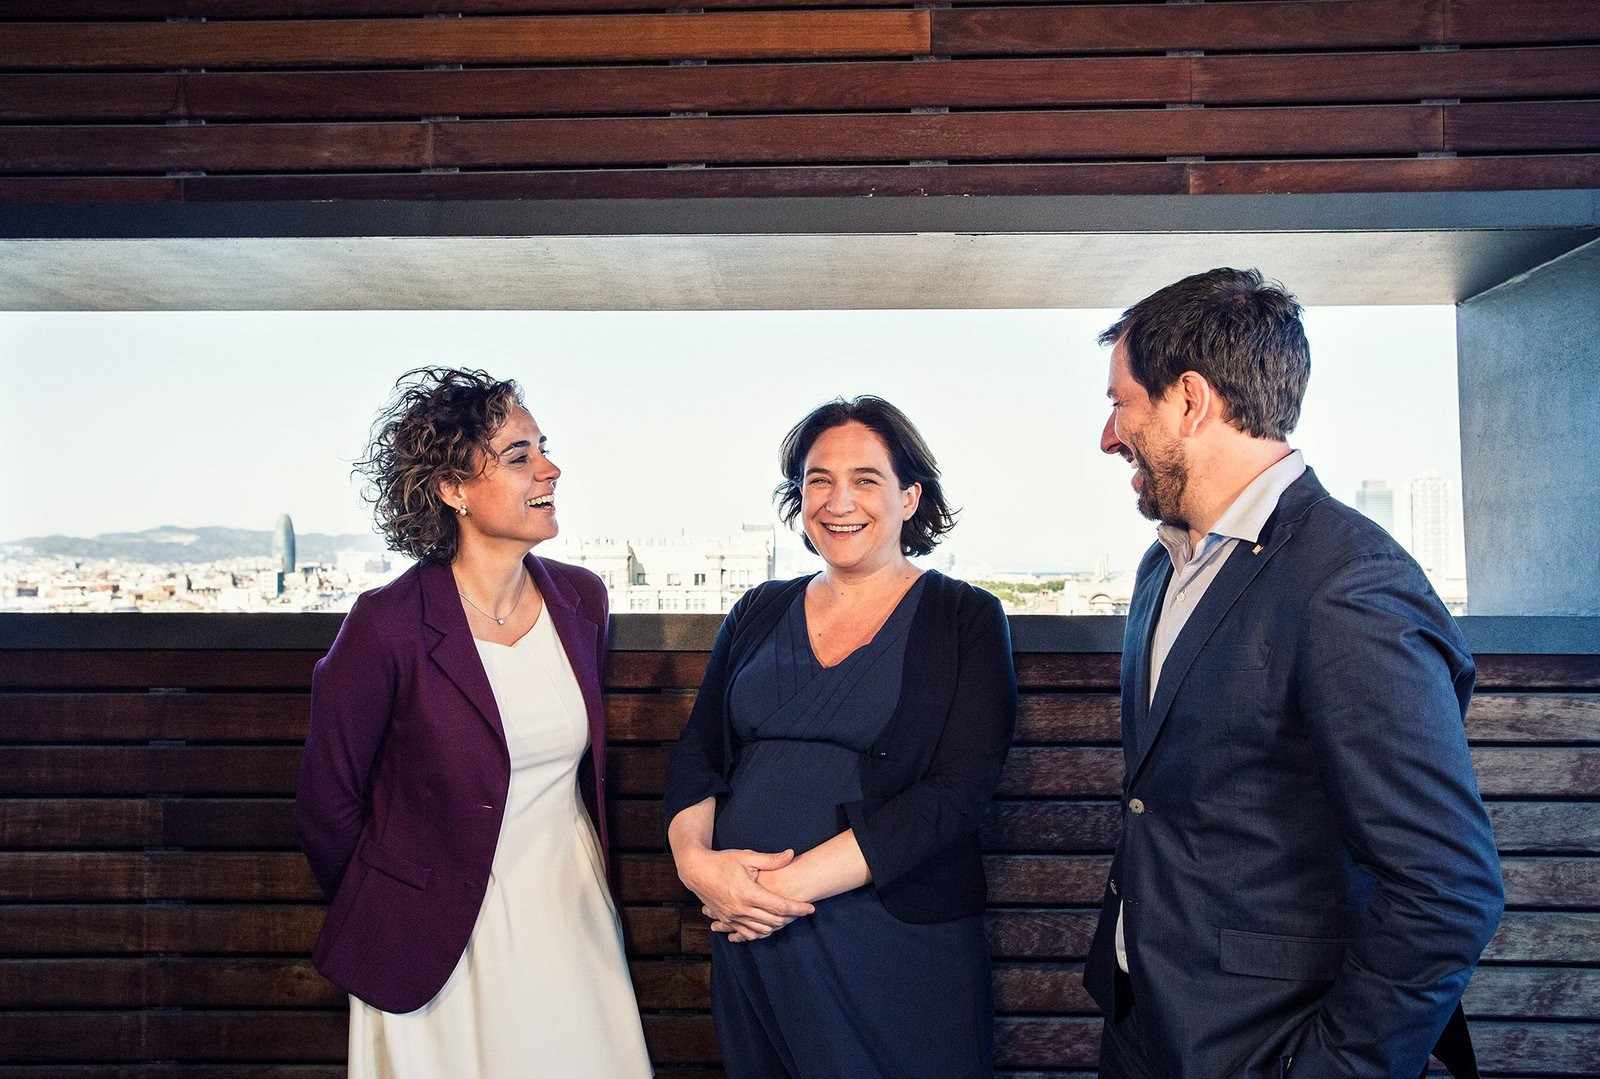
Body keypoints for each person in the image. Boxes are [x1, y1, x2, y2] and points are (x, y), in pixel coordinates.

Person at [1084, 268, 1504, 1079]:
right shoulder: (1160, 566)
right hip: (1148, 1025)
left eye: (1120, 401)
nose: (1108, 435)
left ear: (1189, 401)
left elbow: (1447, 888)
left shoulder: (1348, 583)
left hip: (1267, 1045)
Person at [295, 367, 652, 1078]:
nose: (550, 467)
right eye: (520, 456)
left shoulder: (581, 600)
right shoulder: (385, 625)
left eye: (542, 447)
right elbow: (326, 807)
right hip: (433, 947)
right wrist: (409, 901)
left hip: (569, 919)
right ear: (453, 488)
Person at [663, 396, 1016, 1078]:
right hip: (754, 933)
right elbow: (700, 753)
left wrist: (777, 889)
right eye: (818, 479)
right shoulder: (758, 609)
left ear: (910, 496)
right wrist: (697, 866)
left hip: (887, 934)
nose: (837, 500)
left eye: (866, 478)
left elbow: (957, 794)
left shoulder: (966, 616)